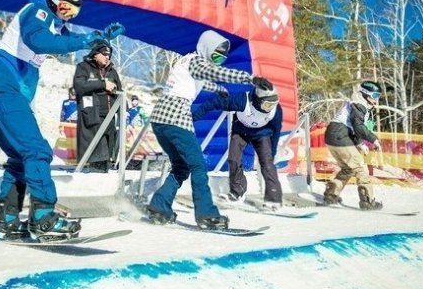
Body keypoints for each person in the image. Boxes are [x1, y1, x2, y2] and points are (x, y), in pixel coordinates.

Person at [0, 0, 124, 241]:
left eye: (74, 12)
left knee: (21, 156)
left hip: (3, 90)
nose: (67, 15)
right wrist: (87, 40)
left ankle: (6, 220)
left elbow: (68, 39)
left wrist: (97, 38)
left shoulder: (51, 20)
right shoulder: (37, 11)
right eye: (65, 8)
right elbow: (40, 41)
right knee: (37, 150)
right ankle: (43, 217)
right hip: (4, 87)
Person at [145, 29, 257, 230]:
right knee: (198, 165)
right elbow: (215, 73)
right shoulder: (197, 62)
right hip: (176, 116)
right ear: (206, 49)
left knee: (181, 167)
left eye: (223, 56)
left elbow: (203, 81)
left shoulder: (187, 61)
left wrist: (219, 90)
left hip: (160, 118)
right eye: (216, 53)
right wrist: (248, 78)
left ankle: (159, 206)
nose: (219, 59)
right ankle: (206, 214)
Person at [192, 77, 284, 211]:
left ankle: (273, 199)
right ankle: (237, 192)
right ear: (258, 100)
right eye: (267, 104)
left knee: (267, 163)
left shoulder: (276, 111)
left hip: (262, 133)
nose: (270, 108)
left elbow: (276, 131)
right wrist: (195, 116)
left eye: (273, 104)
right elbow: (215, 102)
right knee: (233, 159)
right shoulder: (242, 101)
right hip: (241, 130)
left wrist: (273, 152)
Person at [323, 80, 383, 210]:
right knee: (359, 167)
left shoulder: (356, 104)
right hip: (340, 135)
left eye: (379, 96)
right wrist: (374, 139)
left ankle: (331, 194)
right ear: (366, 94)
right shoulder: (359, 105)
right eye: (375, 96)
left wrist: (360, 143)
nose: (376, 100)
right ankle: (367, 201)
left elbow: (352, 128)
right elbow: (358, 127)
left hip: (333, 136)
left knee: (348, 169)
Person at [73, 40, 122, 173]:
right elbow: (80, 86)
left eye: (109, 55)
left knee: (108, 151)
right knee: (97, 152)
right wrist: (102, 84)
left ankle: (103, 174)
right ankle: (96, 174)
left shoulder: (112, 72)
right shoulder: (83, 67)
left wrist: (124, 110)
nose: (107, 57)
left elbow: (120, 92)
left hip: (110, 116)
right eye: (104, 54)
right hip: (92, 116)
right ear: (95, 54)